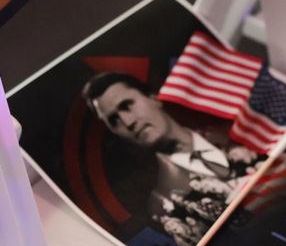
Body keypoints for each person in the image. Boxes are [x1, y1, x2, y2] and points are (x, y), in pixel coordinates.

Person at [81, 71, 236, 183]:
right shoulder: (164, 203)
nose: (128, 123)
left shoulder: (236, 130)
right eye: (114, 120)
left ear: (153, 98)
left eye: (127, 106)